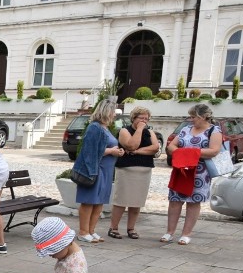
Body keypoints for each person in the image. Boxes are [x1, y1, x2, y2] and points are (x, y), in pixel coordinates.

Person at [161, 103, 222, 245]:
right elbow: (171, 146)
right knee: (175, 200)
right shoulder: (186, 129)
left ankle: (186, 233)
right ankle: (169, 232)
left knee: (193, 202)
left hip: (200, 173)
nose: (191, 119)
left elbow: (214, 150)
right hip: (181, 170)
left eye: (194, 116)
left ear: (204, 117)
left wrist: (188, 152)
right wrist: (181, 152)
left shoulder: (214, 131)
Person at [71, 100, 124, 243]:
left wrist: (116, 151)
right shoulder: (94, 127)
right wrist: (111, 151)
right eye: (113, 111)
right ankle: (83, 232)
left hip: (106, 170)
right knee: (89, 201)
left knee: (99, 202)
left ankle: (91, 231)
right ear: (106, 111)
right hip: (94, 170)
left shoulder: (105, 128)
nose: (115, 115)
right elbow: (89, 150)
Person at [107, 106, 160, 240]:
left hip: (144, 170)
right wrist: (140, 130)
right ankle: (113, 227)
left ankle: (131, 228)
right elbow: (131, 145)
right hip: (127, 169)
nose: (144, 121)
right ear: (134, 118)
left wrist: (137, 152)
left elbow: (155, 148)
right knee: (121, 199)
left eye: (146, 119)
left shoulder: (151, 133)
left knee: (137, 201)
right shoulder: (125, 131)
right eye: (141, 118)